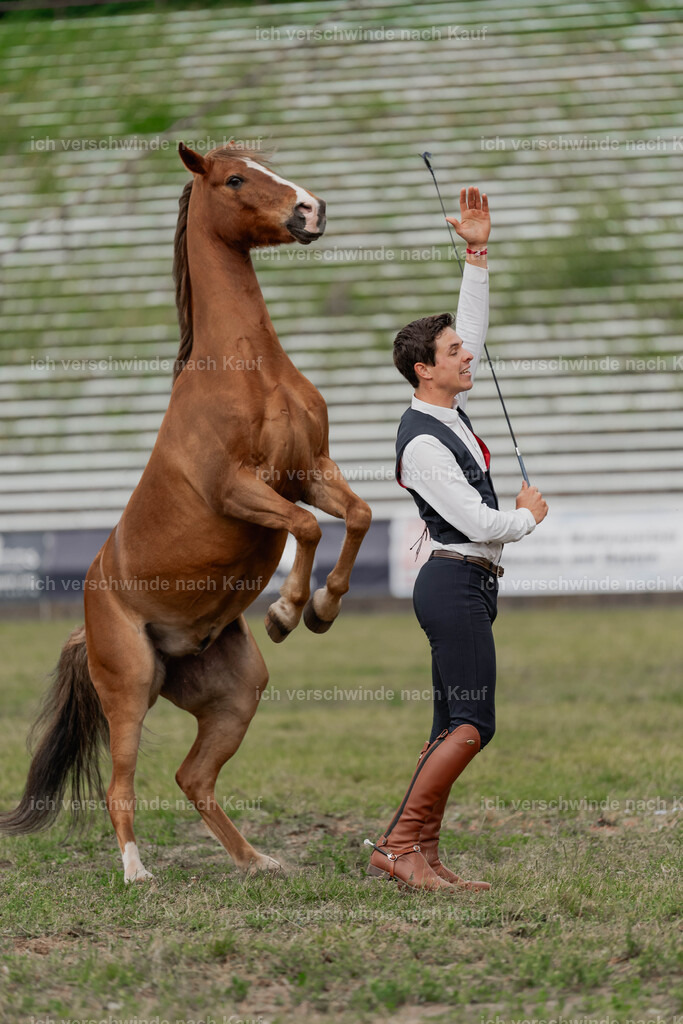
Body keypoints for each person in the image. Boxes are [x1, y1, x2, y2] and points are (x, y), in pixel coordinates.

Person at [367, 187, 548, 892]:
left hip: (467, 585)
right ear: (423, 369)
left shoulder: (444, 411)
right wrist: (528, 517)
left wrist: (476, 251)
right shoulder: (421, 444)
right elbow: (477, 524)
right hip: (451, 583)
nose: (464, 357)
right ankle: (397, 846)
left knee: (451, 725)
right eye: (451, 353)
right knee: (473, 722)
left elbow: (469, 330)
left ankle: (421, 854)